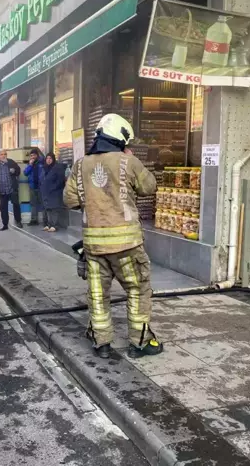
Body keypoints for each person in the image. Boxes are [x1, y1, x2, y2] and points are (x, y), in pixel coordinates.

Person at [63, 113, 162, 360]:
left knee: (98, 294)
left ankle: (101, 341)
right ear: (121, 138)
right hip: (126, 245)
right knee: (138, 290)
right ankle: (140, 343)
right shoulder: (127, 162)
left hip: (94, 247)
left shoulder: (80, 165)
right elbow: (149, 187)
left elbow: (70, 200)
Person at [0, 149, 22, 231]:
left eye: (5, 154)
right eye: (1, 154)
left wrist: (14, 171)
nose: (4, 155)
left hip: (11, 188)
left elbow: (18, 171)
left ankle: (18, 221)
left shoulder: (11, 162)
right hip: (1, 190)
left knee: (16, 205)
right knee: (3, 208)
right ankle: (5, 224)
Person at [40, 152, 66, 232]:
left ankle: (54, 225)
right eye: (47, 158)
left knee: (54, 209)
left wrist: (53, 187)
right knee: (47, 209)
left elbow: (60, 180)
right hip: (46, 191)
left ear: (53, 159)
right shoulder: (44, 168)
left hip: (55, 191)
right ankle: (48, 224)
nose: (48, 160)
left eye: (50, 158)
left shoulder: (57, 168)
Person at [24, 148, 45, 226]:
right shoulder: (30, 164)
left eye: (34, 155)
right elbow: (25, 173)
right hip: (32, 186)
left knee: (43, 203)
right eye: (31, 155)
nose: (32, 157)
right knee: (33, 204)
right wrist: (30, 165)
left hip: (40, 186)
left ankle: (45, 220)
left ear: (37, 155)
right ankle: (34, 220)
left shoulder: (42, 162)